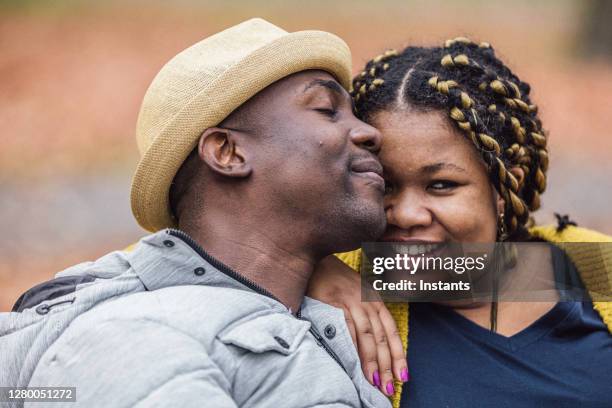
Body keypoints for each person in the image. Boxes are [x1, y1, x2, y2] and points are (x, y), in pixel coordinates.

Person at [0, 18, 393, 408]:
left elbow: (454, 274)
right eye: (328, 110)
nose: (370, 133)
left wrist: (351, 269)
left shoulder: (356, 283)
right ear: (228, 152)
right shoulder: (143, 335)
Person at [308, 38, 612, 407]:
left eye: (440, 185)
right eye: (385, 185)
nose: (405, 214)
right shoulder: (333, 299)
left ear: (504, 188)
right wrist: (308, 264)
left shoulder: (599, 269)